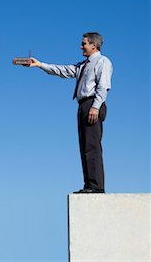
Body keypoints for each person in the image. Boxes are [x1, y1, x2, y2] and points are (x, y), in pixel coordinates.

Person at [28, 32, 113, 193]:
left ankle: (96, 186)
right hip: (82, 106)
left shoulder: (103, 61)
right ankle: (89, 185)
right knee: (84, 146)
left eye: (84, 44)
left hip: (92, 104)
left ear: (93, 45)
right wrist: (40, 65)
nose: (81, 46)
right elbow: (63, 70)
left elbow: (103, 86)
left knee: (92, 146)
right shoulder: (83, 65)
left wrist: (95, 106)